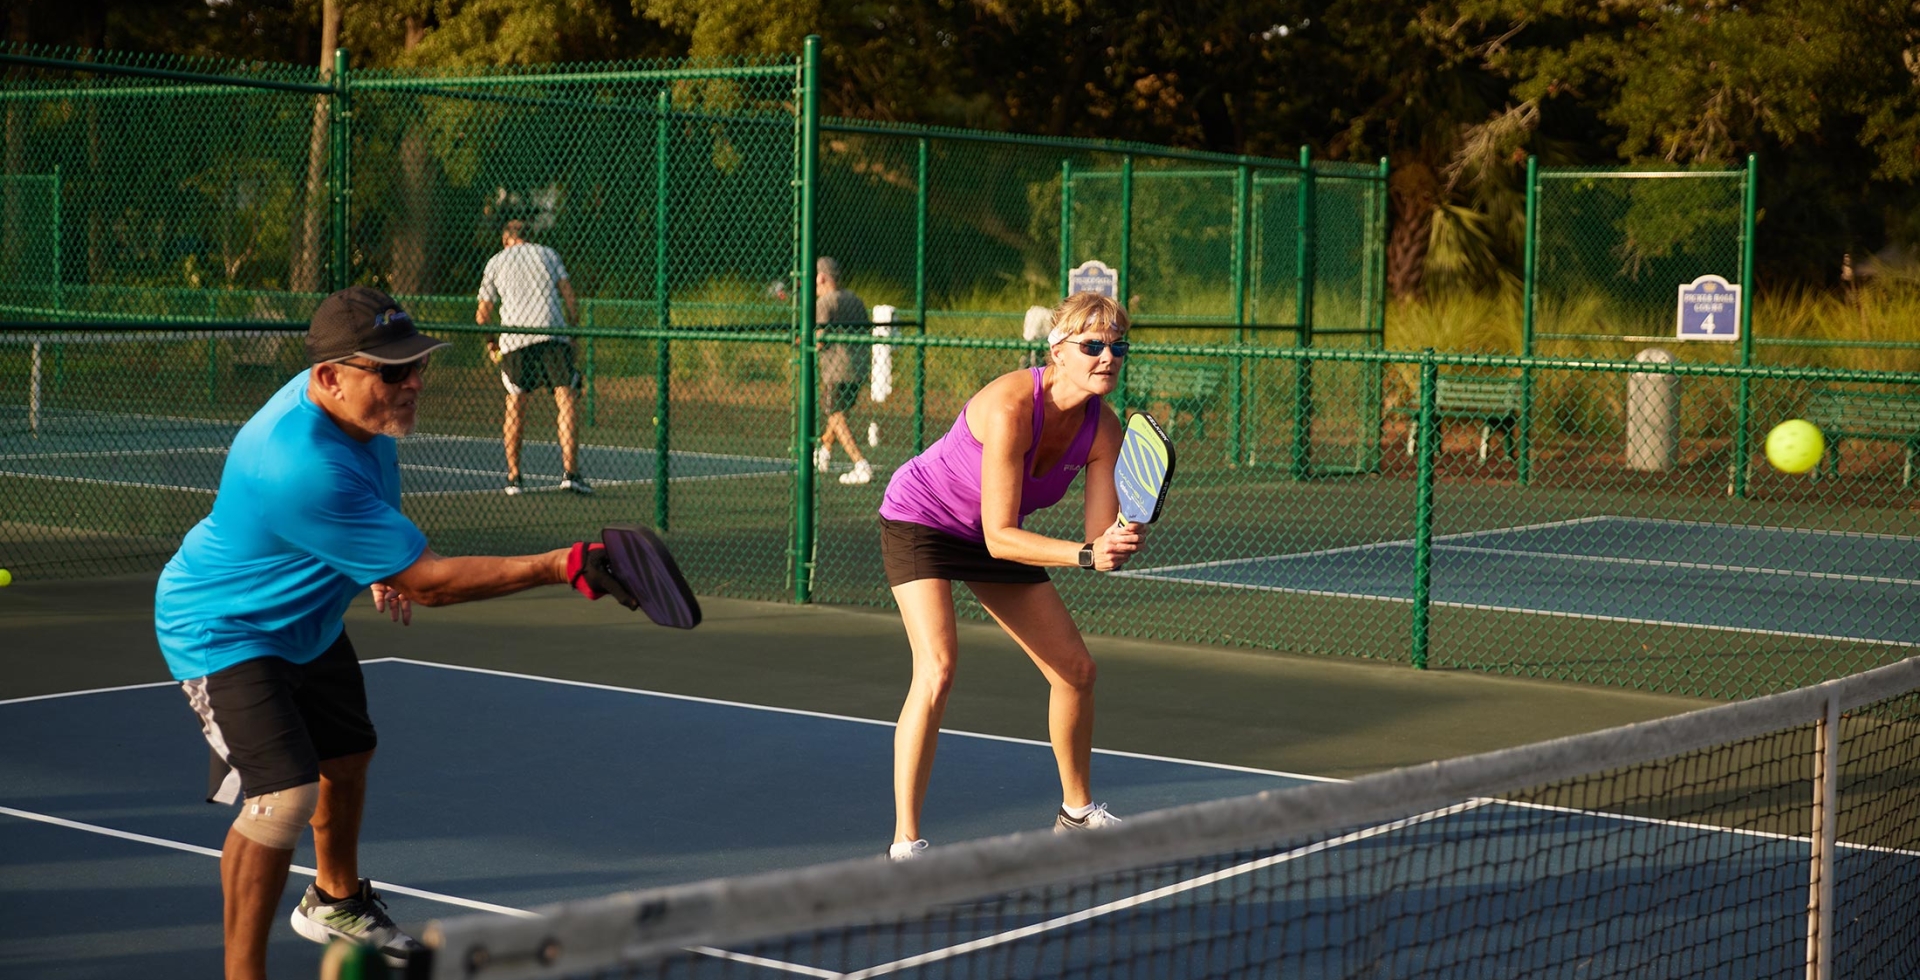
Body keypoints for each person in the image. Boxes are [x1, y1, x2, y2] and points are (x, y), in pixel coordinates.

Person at [154, 287, 637, 979]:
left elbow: (378, 516)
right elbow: (431, 583)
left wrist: (378, 567)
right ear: (329, 378)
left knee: (347, 755)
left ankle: (335, 899)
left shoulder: (360, 410)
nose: (411, 382)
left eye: (416, 366)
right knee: (281, 795)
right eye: (391, 371)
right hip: (224, 627)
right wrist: (559, 564)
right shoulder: (299, 462)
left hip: (308, 618)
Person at [877, 292, 1144, 860]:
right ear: (1058, 351)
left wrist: (1115, 541)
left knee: (1076, 670)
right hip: (922, 520)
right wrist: (1085, 555)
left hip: (994, 535)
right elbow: (1002, 537)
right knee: (939, 668)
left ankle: (1076, 812)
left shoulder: (1104, 430)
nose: (1108, 357)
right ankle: (906, 846)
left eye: (1118, 346)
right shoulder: (1010, 407)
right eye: (1092, 345)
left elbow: (1097, 542)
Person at [477, 219, 590, 496]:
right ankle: (570, 473)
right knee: (566, 399)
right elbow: (569, 298)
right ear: (530, 236)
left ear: (506, 239)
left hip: (515, 340)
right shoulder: (549, 254)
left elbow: (482, 316)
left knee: (516, 404)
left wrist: (492, 344)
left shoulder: (496, 262)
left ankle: (514, 478)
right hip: (552, 334)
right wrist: (573, 332)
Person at [814, 256, 874, 485]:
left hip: (837, 369)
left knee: (835, 415)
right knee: (837, 414)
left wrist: (803, 341)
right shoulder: (854, 299)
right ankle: (824, 452)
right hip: (859, 367)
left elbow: (819, 339)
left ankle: (860, 464)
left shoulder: (825, 302)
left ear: (821, 277)